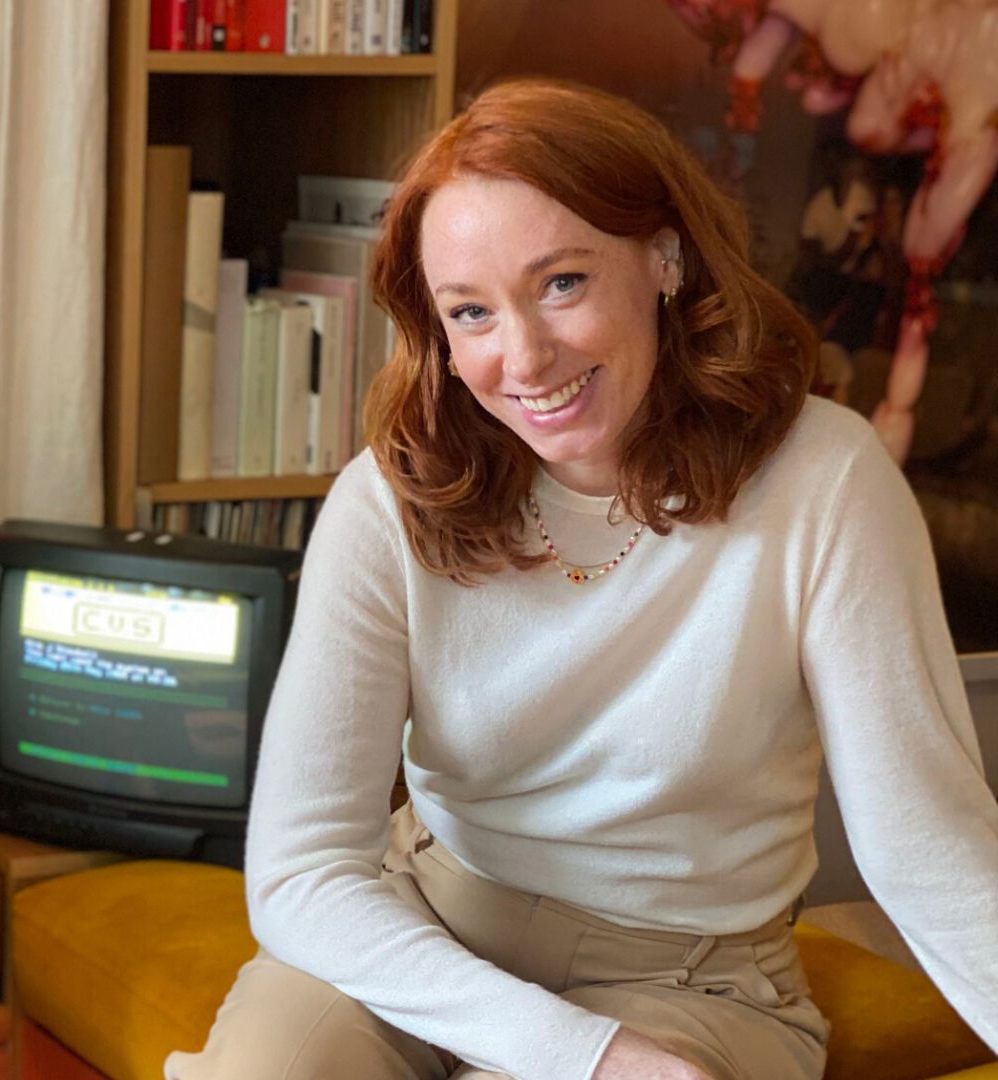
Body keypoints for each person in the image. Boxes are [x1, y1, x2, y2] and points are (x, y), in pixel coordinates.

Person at [166, 79, 998, 1080]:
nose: (524, 357)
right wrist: (582, 1054)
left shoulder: (825, 480)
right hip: (425, 930)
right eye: (471, 312)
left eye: (562, 282)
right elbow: (302, 871)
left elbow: (928, 849)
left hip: (693, 980)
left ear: (665, 258)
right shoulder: (389, 500)